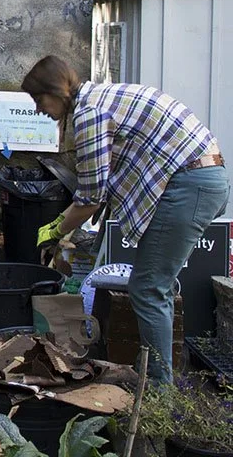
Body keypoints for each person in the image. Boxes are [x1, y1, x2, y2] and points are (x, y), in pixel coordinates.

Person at [22, 55, 228, 383]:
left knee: (148, 287)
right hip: (199, 179)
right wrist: (62, 230)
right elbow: (101, 188)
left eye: (38, 100)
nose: (38, 109)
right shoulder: (102, 98)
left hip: (191, 185)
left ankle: (158, 392)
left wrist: (54, 231)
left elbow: (90, 198)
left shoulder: (90, 113)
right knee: (149, 285)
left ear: (57, 92)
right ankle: (149, 371)